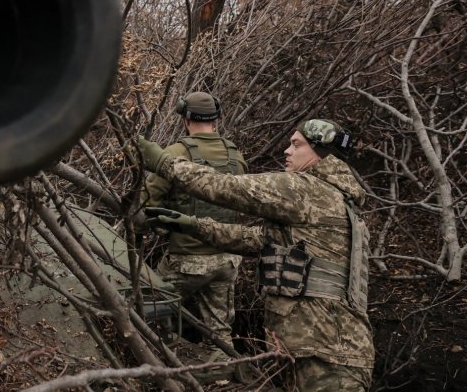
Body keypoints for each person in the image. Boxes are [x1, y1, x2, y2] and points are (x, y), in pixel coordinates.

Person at [138, 119, 374, 391]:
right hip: (328, 346)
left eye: (296, 144)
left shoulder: (306, 190)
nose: (287, 150)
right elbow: (259, 241)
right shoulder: (337, 200)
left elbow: (228, 187)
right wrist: (191, 225)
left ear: (320, 153)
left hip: (326, 352)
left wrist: (164, 163)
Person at [139, 92, 247, 366]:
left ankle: (158, 363)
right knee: (220, 329)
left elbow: (150, 202)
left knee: (148, 304)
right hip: (228, 260)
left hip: (187, 261)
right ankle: (223, 372)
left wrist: (153, 227)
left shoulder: (176, 154)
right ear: (216, 119)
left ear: (185, 118)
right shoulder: (236, 156)